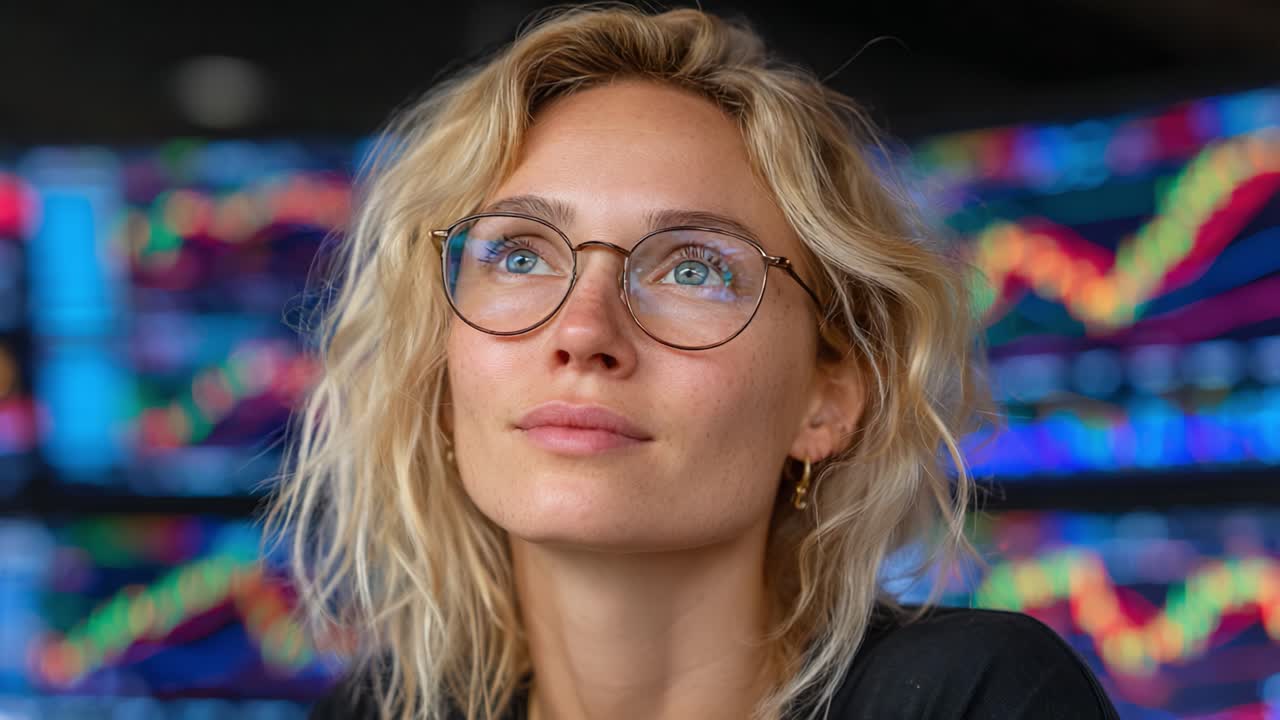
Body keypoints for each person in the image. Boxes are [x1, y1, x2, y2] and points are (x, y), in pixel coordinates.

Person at [265, 5, 1121, 719]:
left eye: (695, 268)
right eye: (520, 255)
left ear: (828, 400)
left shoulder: (972, 697)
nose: (583, 330)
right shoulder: (379, 709)